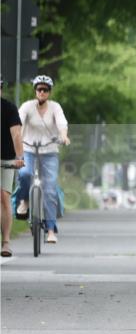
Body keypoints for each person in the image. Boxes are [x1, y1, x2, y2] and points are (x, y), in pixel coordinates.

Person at [16, 75, 69, 243]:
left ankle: (51, 230)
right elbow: (19, 123)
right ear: (35, 91)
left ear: (49, 92)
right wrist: (18, 140)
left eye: (45, 90)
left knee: (50, 188)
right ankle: (24, 200)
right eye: (39, 89)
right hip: (29, 149)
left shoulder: (55, 107)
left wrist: (64, 136)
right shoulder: (27, 106)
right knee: (24, 174)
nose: (42, 92)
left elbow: (62, 124)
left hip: (50, 151)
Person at [2, 80, 26, 257]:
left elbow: (16, 134)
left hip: (5, 158)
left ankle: (6, 242)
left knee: (3, 196)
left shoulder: (9, 108)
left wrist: (19, 157)